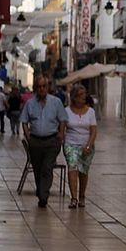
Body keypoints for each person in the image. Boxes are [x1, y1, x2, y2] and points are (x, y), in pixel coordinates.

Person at [19, 76, 68, 210]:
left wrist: (61, 133)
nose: (41, 89)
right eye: (39, 87)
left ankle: (43, 196)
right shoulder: (30, 103)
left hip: (52, 141)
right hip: (35, 141)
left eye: (44, 86)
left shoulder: (56, 102)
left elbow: (63, 119)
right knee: (38, 169)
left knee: (47, 168)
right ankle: (41, 192)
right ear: (35, 88)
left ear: (48, 88)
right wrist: (28, 135)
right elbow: (24, 120)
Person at [61, 84, 98, 209]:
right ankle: (74, 198)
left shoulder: (91, 112)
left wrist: (89, 145)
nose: (84, 98)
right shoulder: (66, 111)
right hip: (71, 144)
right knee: (73, 168)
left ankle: (82, 196)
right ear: (74, 98)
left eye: (84, 95)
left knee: (83, 171)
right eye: (81, 96)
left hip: (86, 144)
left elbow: (93, 131)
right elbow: (62, 129)